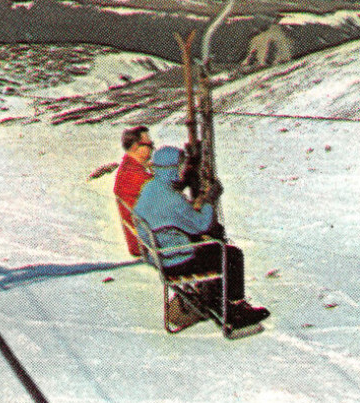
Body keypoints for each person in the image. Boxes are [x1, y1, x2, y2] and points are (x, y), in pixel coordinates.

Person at [133, 146, 269, 329]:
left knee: (209, 248)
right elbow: (202, 225)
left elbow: (175, 215)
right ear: (171, 169)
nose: (182, 169)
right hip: (176, 260)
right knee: (231, 255)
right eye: (180, 166)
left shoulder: (152, 187)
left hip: (160, 253)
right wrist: (210, 200)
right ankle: (236, 310)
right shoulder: (172, 200)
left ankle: (217, 299)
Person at [113, 125, 154, 257]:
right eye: (149, 144)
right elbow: (165, 192)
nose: (152, 148)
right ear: (136, 146)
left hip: (142, 238)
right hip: (147, 243)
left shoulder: (129, 168)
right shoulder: (134, 174)